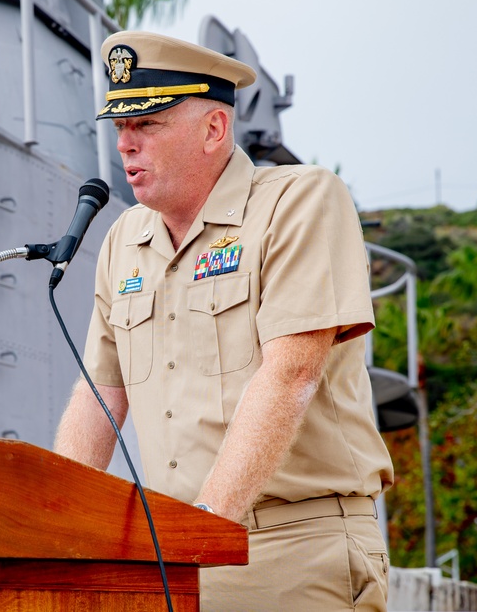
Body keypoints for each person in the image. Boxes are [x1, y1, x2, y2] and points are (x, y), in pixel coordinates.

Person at [54, 30, 394, 611]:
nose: (126, 147)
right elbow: (101, 397)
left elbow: (291, 374)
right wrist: (48, 534)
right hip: (171, 558)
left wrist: (202, 533)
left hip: (293, 549)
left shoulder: (300, 201)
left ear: (215, 128)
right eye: (120, 129)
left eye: (148, 125)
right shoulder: (123, 242)